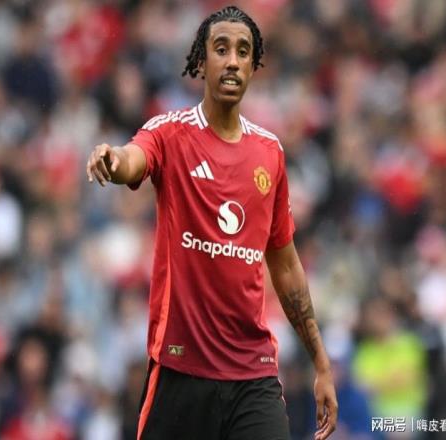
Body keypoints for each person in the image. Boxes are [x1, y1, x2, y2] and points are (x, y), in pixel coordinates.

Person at [86, 6, 337, 440]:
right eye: (221, 49)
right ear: (201, 62)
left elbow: (285, 265)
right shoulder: (171, 133)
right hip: (181, 371)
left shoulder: (270, 153)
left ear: (254, 67)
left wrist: (321, 362)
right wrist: (114, 159)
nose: (233, 61)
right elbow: (133, 159)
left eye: (243, 51)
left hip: (252, 375)